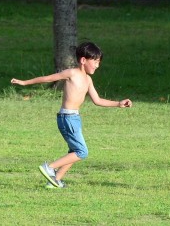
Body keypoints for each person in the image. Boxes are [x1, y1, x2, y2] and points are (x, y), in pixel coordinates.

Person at [11, 41, 132, 188]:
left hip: (74, 118)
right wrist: (24, 83)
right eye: (95, 62)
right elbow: (48, 78)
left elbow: (98, 100)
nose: (97, 66)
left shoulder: (88, 80)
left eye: (99, 62)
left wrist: (118, 103)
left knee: (74, 152)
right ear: (83, 60)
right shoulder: (72, 73)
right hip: (67, 118)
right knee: (82, 152)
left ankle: (55, 180)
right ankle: (49, 167)